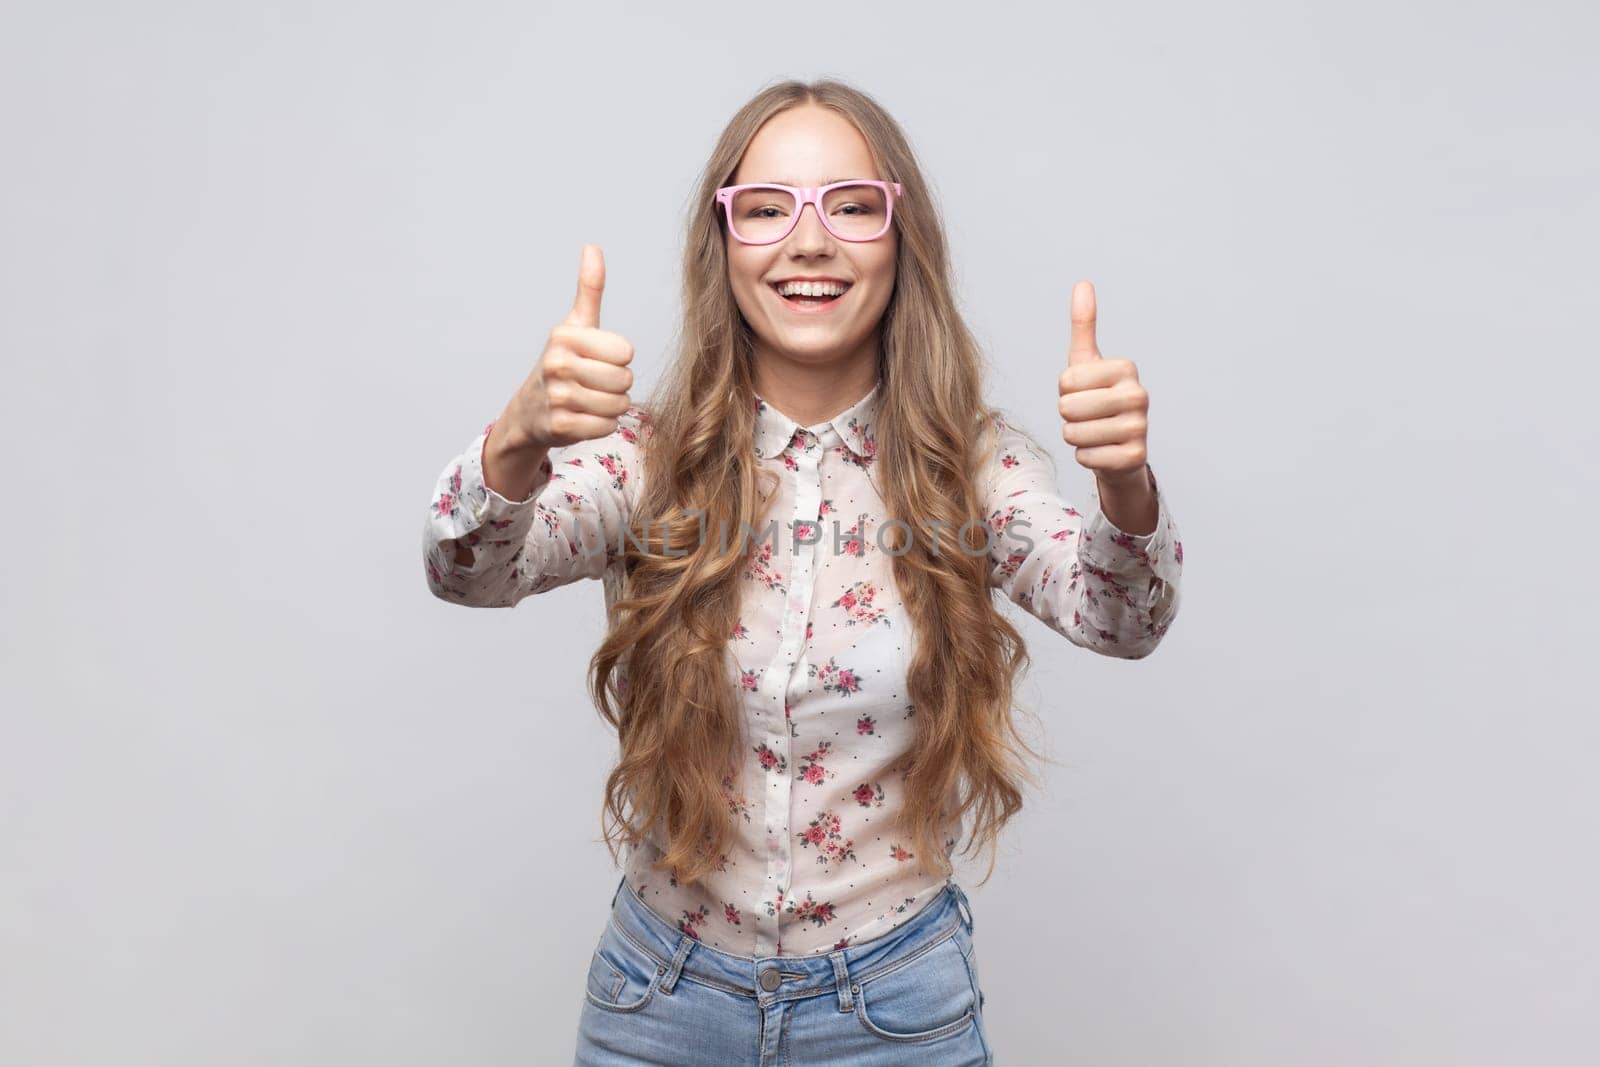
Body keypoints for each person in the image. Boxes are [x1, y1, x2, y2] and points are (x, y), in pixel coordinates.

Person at [422, 77, 1183, 1066]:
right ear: (724, 243)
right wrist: (518, 436)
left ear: (900, 238)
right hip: (661, 998)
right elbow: (465, 570)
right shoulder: (651, 460)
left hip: (892, 1007)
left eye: (852, 206)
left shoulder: (974, 464)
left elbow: (1120, 617)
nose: (809, 241)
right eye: (768, 208)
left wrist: (1124, 482)